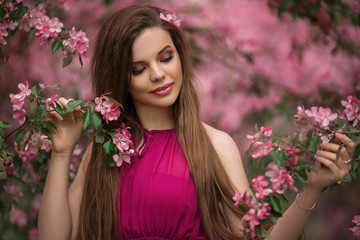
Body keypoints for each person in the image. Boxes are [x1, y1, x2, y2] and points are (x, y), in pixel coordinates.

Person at [38, 5, 355, 240]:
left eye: (165, 57)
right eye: (138, 68)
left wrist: (311, 190)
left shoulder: (215, 146)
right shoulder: (104, 152)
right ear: (120, 78)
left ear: (179, 55)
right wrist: (62, 152)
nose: (159, 74)